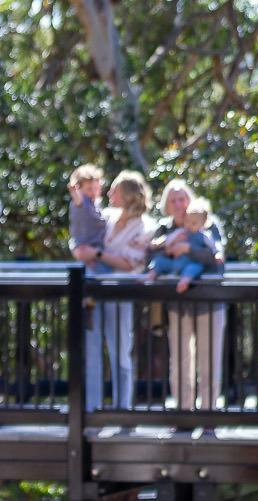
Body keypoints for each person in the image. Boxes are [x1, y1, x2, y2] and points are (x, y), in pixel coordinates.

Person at [73, 170, 148, 409]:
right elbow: (83, 235)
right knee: (92, 349)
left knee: (119, 350)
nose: (108, 193)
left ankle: (122, 409)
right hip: (94, 290)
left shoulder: (143, 226)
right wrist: (78, 249)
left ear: (126, 195)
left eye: (114, 189)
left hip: (119, 291)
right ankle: (92, 409)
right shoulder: (106, 216)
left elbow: (132, 264)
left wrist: (98, 254)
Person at [150, 180, 227, 411]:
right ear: (166, 205)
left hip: (209, 302)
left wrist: (189, 250)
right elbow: (150, 257)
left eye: (182, 198)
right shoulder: (164, 229)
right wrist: (167, 248)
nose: (178, 204)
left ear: (190, 200)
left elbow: (218, 260)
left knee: (209, 359)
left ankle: (209, 414)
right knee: (180, 361)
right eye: (172, 200)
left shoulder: (209, 224)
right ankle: (184, 413)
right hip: (178, 304)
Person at [148, 197, 224, 293]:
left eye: (193, 223)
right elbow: (167, 239)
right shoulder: (180, 231)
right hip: (176, 263)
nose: (189, 225)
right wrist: (164, 246)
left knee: (194, 267)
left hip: (191, 267)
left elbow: (214, 248)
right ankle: (150, 276)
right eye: (187, 221)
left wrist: (217, 255)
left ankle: (184, 281)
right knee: (159, 262)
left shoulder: (206, 235)